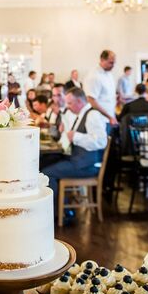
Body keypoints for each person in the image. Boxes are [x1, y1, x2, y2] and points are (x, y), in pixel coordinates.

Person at [43, 88, 107, 216]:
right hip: (79, 160)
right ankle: (58, 210)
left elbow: (101, 142)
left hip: (87, 165)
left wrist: (76, 136)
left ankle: (59, 214)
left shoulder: (92, 115)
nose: (68, 106)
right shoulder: (81, 115)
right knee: (45, 163)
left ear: (79, 101)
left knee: (46, 174)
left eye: (70, 103)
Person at [84, 50, 118, 126]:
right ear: (102, 60)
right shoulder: (94, 76)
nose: (113, 65)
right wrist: (109, 117)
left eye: (114, 63)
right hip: (100, 120)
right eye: (110, 63)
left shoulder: (109, 74)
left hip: (110, 117)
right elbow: (91, 100)